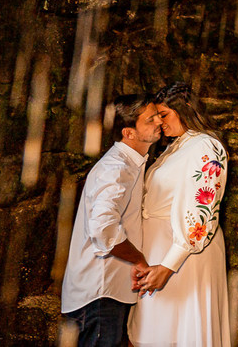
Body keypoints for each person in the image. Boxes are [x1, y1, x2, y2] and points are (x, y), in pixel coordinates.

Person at [128, 83, 231, 347]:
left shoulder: (206, 146)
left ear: (184, 111)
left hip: (185, 257)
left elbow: (202, 212)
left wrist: (168, 265)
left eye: (165, 115)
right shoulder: (177, 146)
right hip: (160, 251)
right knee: (155, 331)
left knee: (176, 332)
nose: (160, 122)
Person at [61, 94, 163, 347]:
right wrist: (139, 259)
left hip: (106, 294)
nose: (159, 121)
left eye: (158, 115)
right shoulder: (117, 168)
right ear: (128, 132)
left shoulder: (131, 164)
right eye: (150, 119)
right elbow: (103, 229)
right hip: (99, 294)